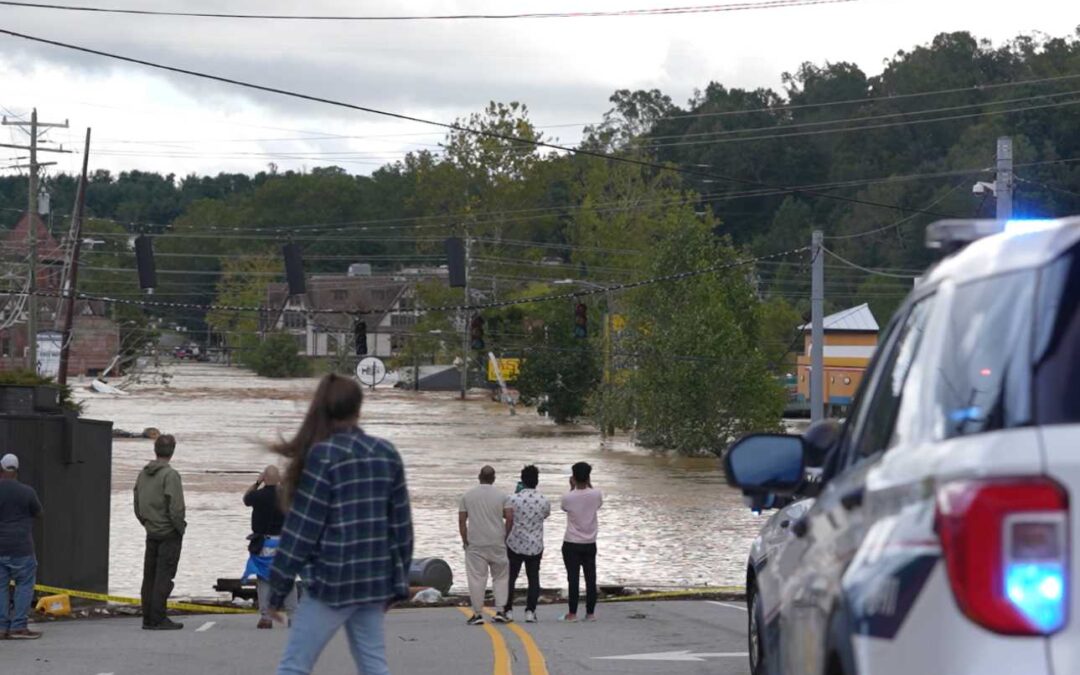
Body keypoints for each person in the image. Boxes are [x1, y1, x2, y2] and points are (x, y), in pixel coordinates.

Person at [268, 373, 413, 675]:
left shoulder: (323, 456)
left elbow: (301, 531)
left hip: (331, 582)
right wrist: (398, 586)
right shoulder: (386, 452)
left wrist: (278, 590)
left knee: (294, 666)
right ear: (359, 407)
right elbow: (402, 529)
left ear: (323, 408)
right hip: (374, 580)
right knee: (374, 666)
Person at [134, 434, 186, 631]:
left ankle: (148, 618)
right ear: (173, 451)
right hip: (168, 532)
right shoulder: (170, 475)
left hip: (151, 530)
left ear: (155, 450)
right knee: (164, 577)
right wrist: (180, 528)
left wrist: (146, 522)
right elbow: (176, 508)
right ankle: (158, 618)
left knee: (149, 576)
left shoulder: (143, 474)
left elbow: (137, 503)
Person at [242, 465, 297, 629]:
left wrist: (257, 482)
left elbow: (246, 498)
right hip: (284, 542)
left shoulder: (257, 496)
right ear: (278, 479)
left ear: (265, 479)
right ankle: (293, 616)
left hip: (263, 542)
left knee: (263, 577)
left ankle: (266, 617)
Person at [458, 465, 513, 626]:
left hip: (476, 543)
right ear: (494, 478)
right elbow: (510, 518)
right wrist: (505, 535)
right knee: (501, 577)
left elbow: (462, 521)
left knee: (477, 578)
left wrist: (465, 540)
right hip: (497, 541)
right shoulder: (503, 496)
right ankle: (500, 611)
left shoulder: (467, 496)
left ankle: (477, 613)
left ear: (479, 477)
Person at [0, 453, 43, 639]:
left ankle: (1, 627)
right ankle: (18, 626)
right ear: (17, 471)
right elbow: (39, 513)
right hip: (22, 548)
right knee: (24, 585)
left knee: (0, 587)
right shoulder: (28, 492)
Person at [503, 465, 550, 624]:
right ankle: (530, 611)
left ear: (522, 480)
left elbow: (507, 517)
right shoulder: (544, 500)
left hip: (515, 543)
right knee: (533, 578)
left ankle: (508, 610)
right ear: (537, 481)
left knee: (511, 578)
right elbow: (545, 515)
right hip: (535, 544)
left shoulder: (512, 499)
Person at [560, 461, 602, 623]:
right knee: (590, 578)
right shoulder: (596, 494)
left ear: (573, 477)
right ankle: (590, 613)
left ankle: (572, 613)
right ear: (589, 477)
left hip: (571, 542)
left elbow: (565, 508)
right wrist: (588, 485)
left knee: (573, 578)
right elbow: (597, 504)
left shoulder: (568, 497)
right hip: (590, 542)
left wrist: (572, 488)